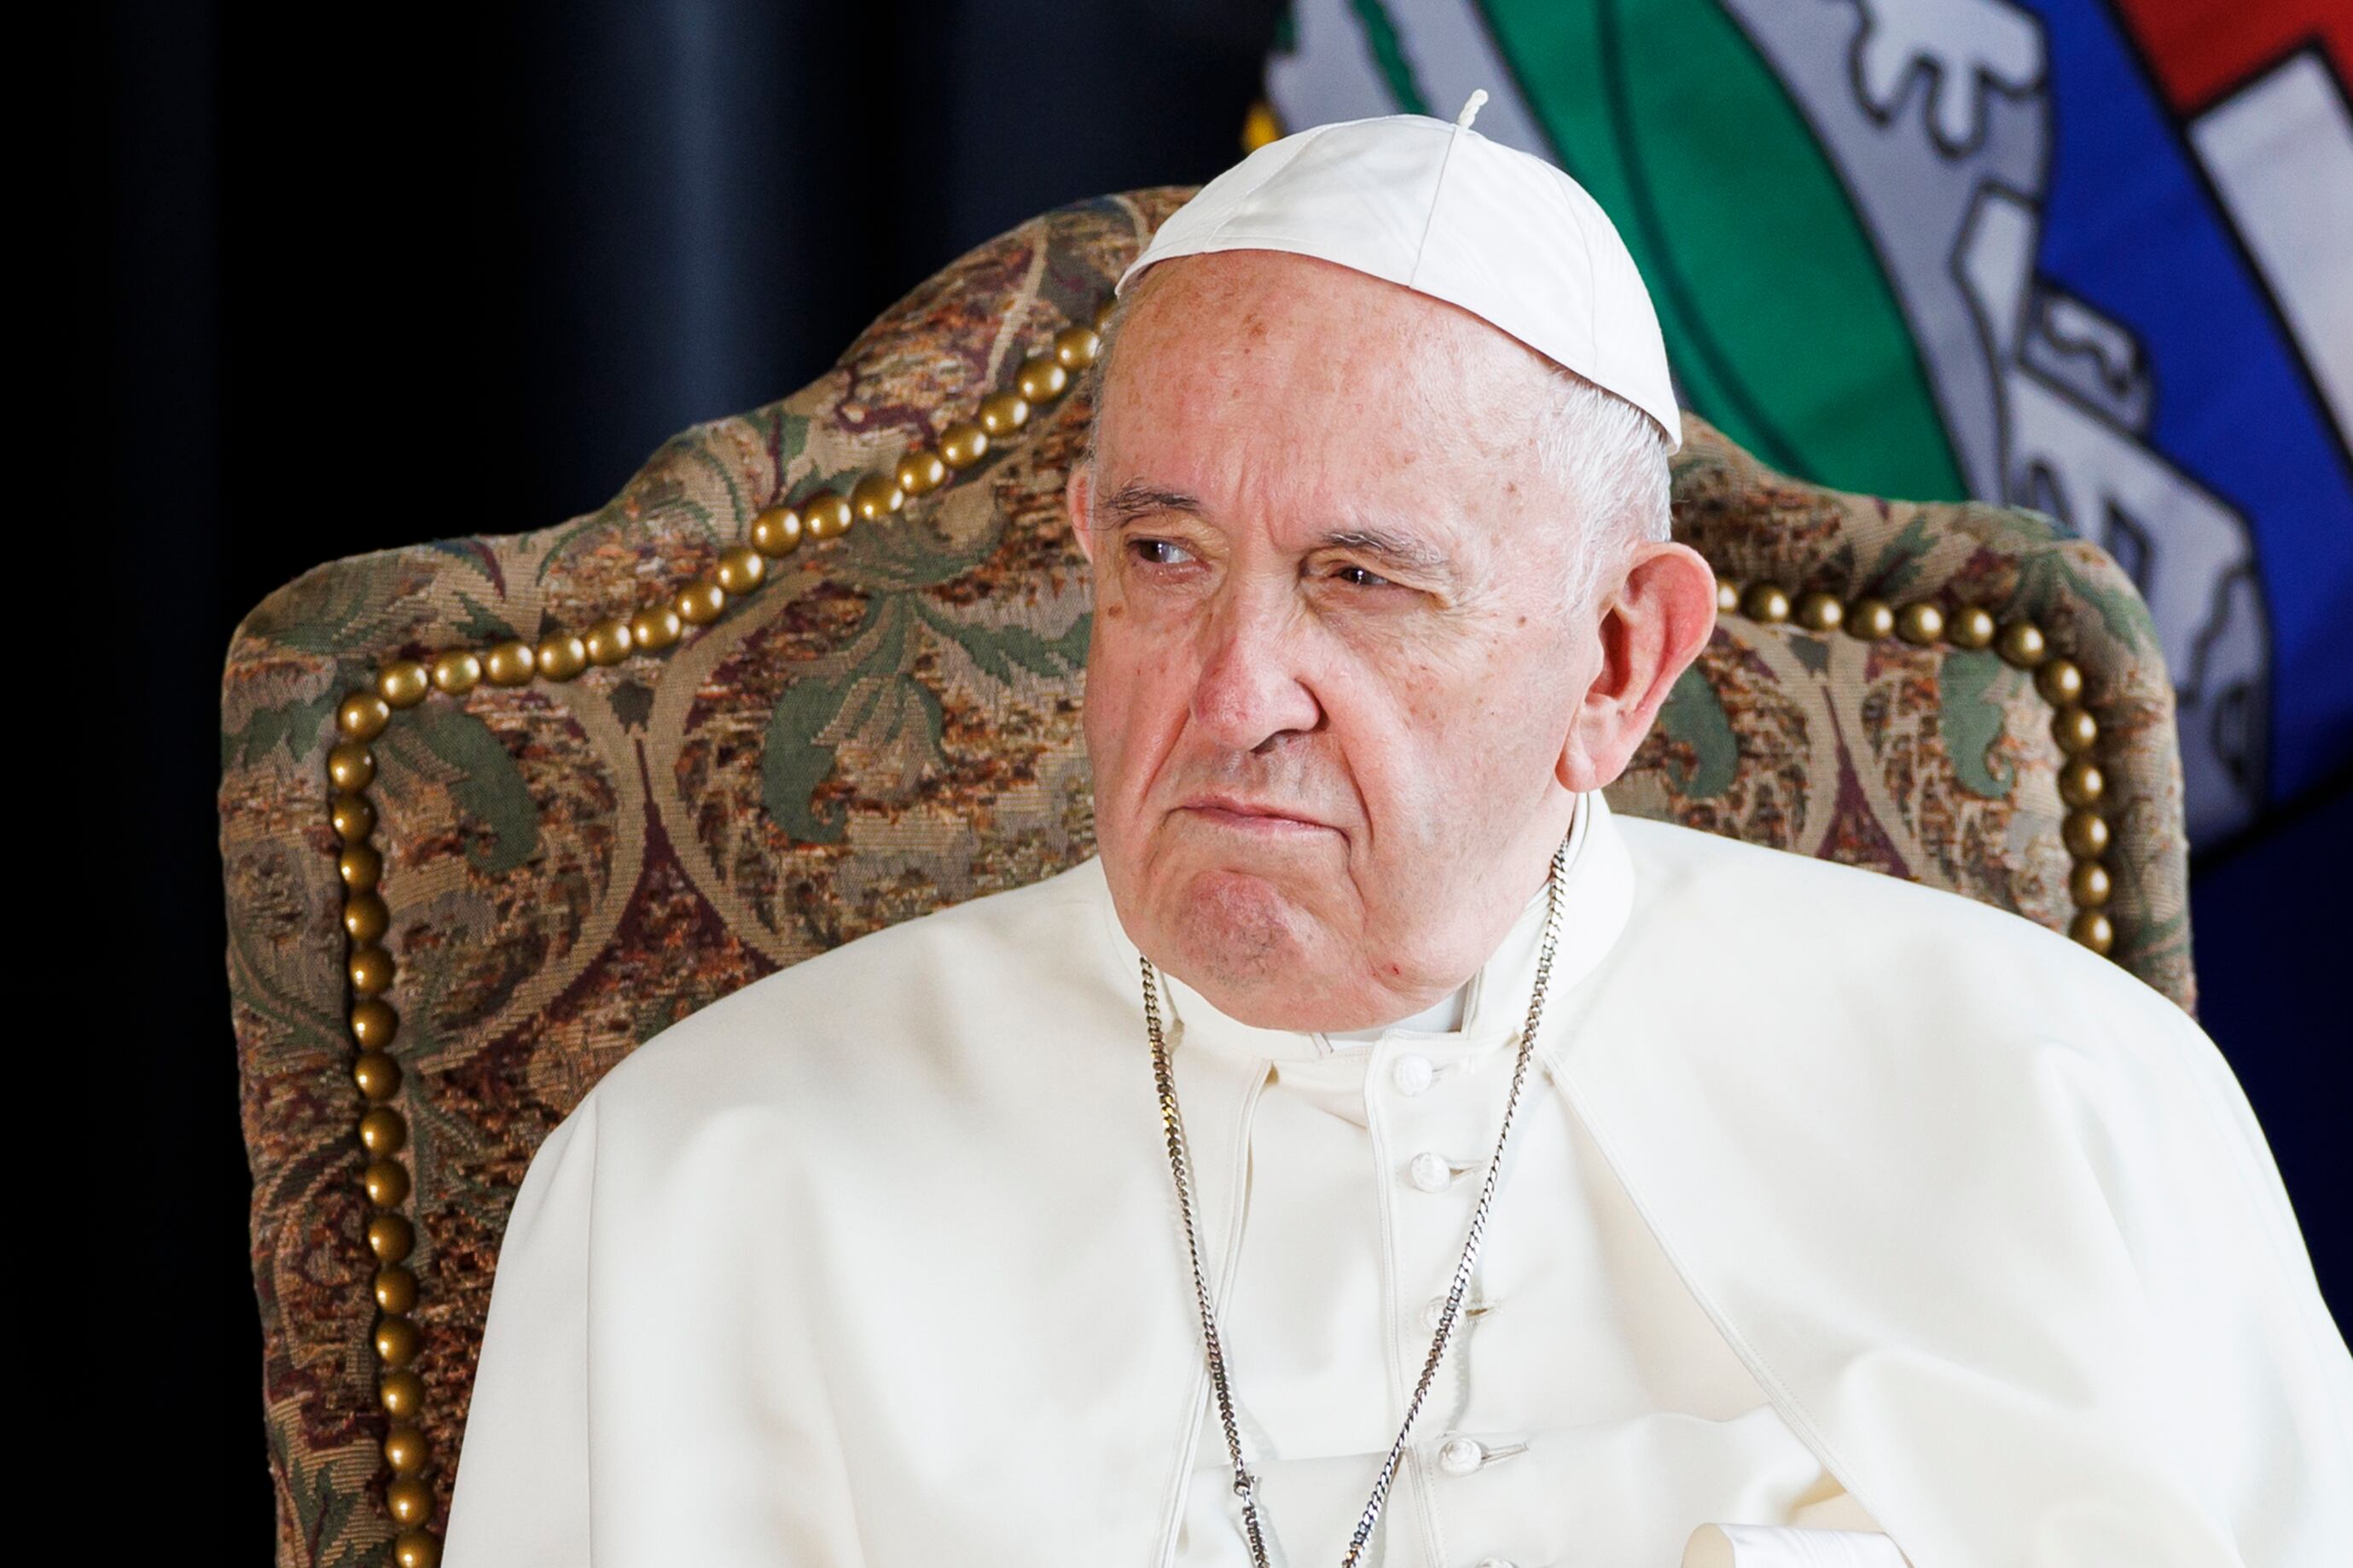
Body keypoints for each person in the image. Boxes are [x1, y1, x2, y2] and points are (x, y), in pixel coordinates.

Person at [442, 101, 2351, 1568]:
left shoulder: (2054, 1103)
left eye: (1359, 579)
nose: (1230, 685)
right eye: (1164, 556)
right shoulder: (698, 1185)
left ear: (1619, 659)